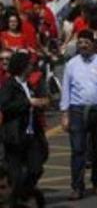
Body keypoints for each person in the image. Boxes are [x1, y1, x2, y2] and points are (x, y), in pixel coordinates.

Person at [60, 30, 97, 201]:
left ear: (93, 44)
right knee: (78, 150)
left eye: (86, 42)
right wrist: (64, 114)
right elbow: (66, 90)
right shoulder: (71, 64)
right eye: (80, 42)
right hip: (77, 111)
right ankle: (77, 187)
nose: (83, 45)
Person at [0, 52, 48, 207]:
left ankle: (22, 195)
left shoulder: (29, 84)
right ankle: (15, 201)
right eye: (29, 64)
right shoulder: (10, 85)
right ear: (21, 66)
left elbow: (38, 101)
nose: (31, 67)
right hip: (15, 136)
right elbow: (5, 106)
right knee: (17, 176)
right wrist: (28, 102)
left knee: (36, 169)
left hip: (32, 134)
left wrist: (42, 102)